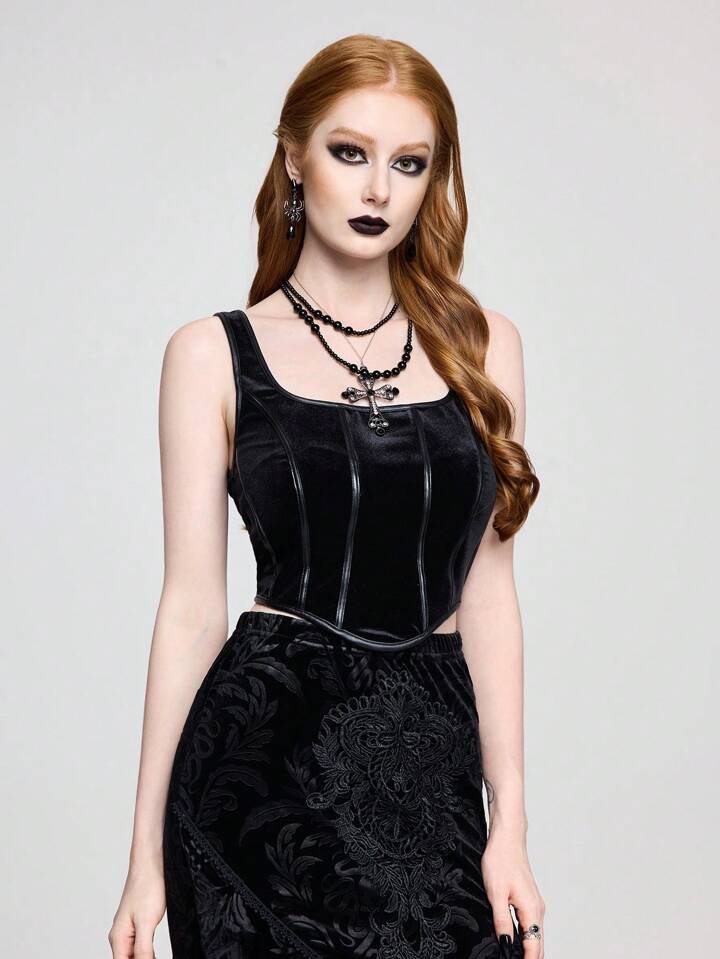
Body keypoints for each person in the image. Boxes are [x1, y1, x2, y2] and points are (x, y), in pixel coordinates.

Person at [109, 33, 545, 959]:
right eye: (351, 152)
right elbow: (190, 608)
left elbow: (489, 596)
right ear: (294, 158)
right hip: (252, 787)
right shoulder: (209, 355)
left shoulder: (486, 347)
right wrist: (144, 857)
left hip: (431, 778)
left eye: (409, 163)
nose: (379, 188)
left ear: (433, 180)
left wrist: (509, 823)